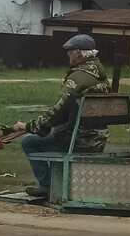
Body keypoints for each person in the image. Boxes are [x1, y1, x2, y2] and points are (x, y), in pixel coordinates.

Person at [12, 34, 111, 198]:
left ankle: (47, 186)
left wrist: (30, 126)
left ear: (78, 53)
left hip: (77, 140)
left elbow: (57, 112)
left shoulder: (77, 79)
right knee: (54, 134)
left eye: (70, 51)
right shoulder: (101, 77)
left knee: (29, 142)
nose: (67, 54)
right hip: (97, 138)